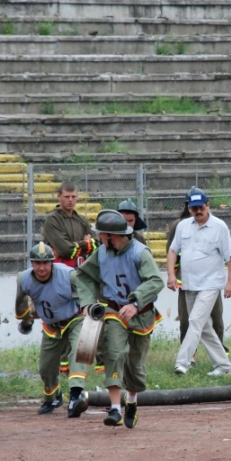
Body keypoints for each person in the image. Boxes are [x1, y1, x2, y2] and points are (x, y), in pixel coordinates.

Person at [74, 210, 164, 429]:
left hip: (140, 314)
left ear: (114, 236)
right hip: (113, 312)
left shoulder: (140, 253)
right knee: (114, 352)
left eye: (102, 235)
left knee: (135, 365)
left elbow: (155, 281)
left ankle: (131, 401)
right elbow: (83, 275)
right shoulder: (101, 253)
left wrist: (135, 303)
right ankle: (115, 409)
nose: (99, 239)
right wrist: (86, 302)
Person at [167, 189, 231, 376]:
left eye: (200, 207)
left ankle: (183, 362)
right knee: (203, 326)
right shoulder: (182, 226)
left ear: (208, 206)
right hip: (189, 284)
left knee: (195, 322)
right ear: (189, 209)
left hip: (211, 284)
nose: (198, 211)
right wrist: (171, 275)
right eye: (193, 208)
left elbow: (230, 256)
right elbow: (173, 251)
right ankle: (223, 366)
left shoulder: (219, 227)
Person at [14, 241, 89, 416]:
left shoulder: (68, 275)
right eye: (37, 263)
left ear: (52, 262)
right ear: (31, 263)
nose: (41, 268)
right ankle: (53, 397)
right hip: (51, 325)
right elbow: (20, 303)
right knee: (46, 367)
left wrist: (87, 307)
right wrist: (25, 320)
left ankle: (76, 396)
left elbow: (86, 292)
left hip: (74, 319)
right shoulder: (23, 279)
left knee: (78, 352)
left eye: (45, 263)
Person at [42, 181, 96, 268]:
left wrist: (74, 246)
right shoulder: (52, 220)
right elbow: (66, 250)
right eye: (66, 196)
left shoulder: (82, 220)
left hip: (80, 271)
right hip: (58, 271)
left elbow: (97, 243)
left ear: (77, 197)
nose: (70, 200)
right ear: (59, 197)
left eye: (73, 196)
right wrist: (86, 243)